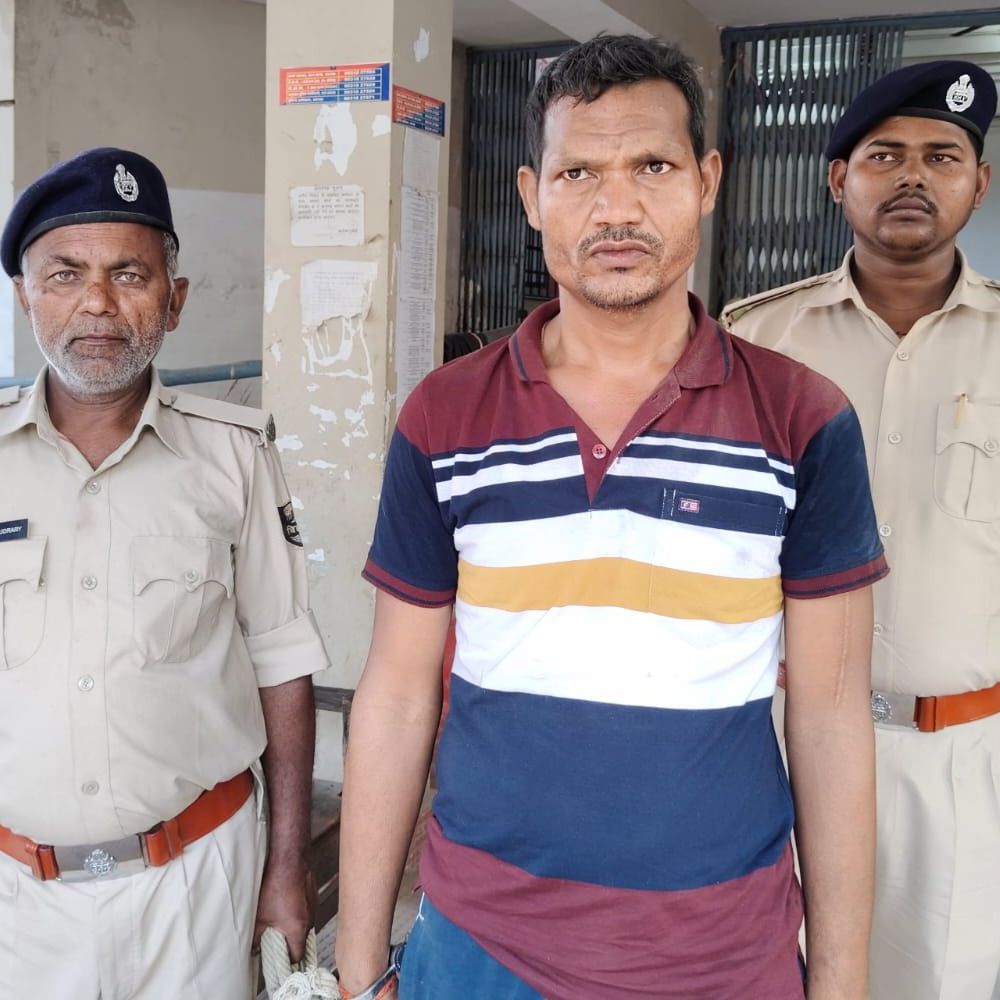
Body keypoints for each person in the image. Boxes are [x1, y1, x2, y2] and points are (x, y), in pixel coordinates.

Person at [336, 34, 888, 1000]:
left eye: (653, 168)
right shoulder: (445, 416)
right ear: (531, 195)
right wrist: (356, 963)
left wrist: (840, 985)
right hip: (481, 949)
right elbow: (396, 694)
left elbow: (831, 717)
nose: (616, 208)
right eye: (579, 173)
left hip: (724, 954)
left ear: (707, 181)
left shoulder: (802, 419)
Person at [0, 146, 329, 998]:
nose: (98, 303)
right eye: (65, 274)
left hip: (198, 885)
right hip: (17, 903)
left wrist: (285, 869)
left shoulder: (234, 456)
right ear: (25, 296)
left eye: (129, 274)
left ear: (174, 300)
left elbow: (283, 663)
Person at [723, 60, 1000, 1000]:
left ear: (979, 183)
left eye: (942, 157)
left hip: (962, 760)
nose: (914, 175)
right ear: (839, 179)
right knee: (771, 974)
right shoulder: (759, 344)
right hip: (777, 741)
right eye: (886, 155)